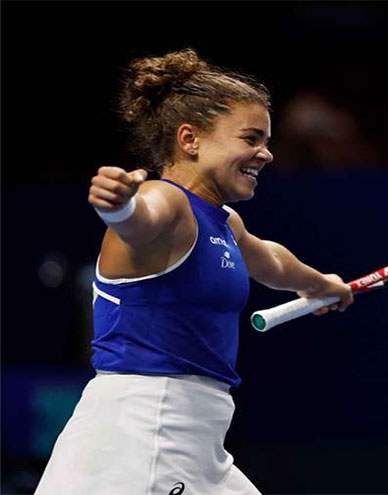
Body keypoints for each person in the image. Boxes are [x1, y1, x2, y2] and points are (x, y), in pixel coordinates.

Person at [35, 49, 353, 495]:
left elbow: (271, 260)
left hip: (198, 444)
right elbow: (139, 220)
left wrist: (320, 285)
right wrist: (119, 207)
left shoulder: (223, 222)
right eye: (251, 138)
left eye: (266, 140)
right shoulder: (166, 202)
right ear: (190, 139)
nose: (266, 154)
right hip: (145, 437)